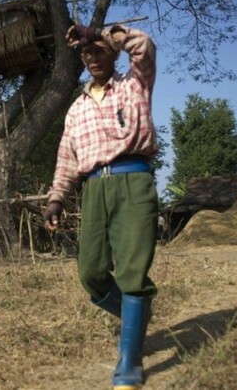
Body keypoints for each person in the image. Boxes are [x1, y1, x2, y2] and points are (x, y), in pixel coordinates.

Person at [44, 22, 159, 390]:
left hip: (134, 180)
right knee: (90, 272)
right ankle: (135, 316)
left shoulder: (134, 84)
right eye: (86, 53)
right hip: (94, 188)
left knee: (132, 271)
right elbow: (66, 157)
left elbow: (143, 46)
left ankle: (129, 363)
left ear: (112, 52)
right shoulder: (75, 109)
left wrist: (104, 32)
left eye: (99, 50)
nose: (92, 57)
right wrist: (56, 198)